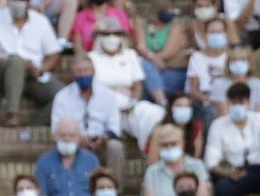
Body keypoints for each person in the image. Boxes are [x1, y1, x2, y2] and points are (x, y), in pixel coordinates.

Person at [0, 0, 63, 127]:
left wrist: (41, 69)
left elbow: (54, 55)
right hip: (4, 74)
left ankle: (32, 125)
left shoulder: (41, 21)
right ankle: (12, 114)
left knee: (62, 95)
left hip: (33, 75)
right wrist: (13, 62)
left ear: (28, 2)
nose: (17, 2)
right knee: (16, 61)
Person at [88, 17, 167, 151]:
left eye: (116, 34)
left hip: (129, 105)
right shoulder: (92, 58)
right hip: (103, 109)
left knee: (154, 113)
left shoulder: (130, 55)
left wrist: (132, 103)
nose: (112, 38)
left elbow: (137, 85)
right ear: (99, 37)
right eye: (107, 34)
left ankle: (149, 151)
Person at [50, 55, 125, 185]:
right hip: (75, 142)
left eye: (86, 70)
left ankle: (114, 189)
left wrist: (102, 138)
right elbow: (56, 128)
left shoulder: (107, 95)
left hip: (102, 142)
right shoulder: (62, 97)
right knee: (67, 146)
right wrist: (77, 138)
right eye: (79, 71)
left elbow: (115, 126)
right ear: (73, 74)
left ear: (93, 72)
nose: (83, 74)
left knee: (116, 147)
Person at [142, 123, 210, 196]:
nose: (169, 148)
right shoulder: (152, 171)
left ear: (182, 143)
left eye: (173, 144)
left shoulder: (197, 166)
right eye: (165, 145)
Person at [35, 118, 101, 196]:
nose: (67, 139)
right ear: (55, 137)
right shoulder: (44, 162)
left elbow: (97, 194)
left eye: (71, 135)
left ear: (79, 137)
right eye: (62, 135)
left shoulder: (91, 160)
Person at [136, 6, 188, 102]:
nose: (169, 11)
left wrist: (152, 58)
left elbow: (170, 51)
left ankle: (160, 102)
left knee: (146, 82)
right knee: (143, 65)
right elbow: (141, 47)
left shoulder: (175, 27)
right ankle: (161, 101)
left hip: (171, 70)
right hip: (151, 70)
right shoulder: (144, 26)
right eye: (166, 8)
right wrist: (152, 59)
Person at [209, 43, 260, 116]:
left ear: (250, 62)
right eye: (234, 60)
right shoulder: (218, 84)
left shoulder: (258, 84)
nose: (238, 63)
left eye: (243, 59)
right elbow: (223, 114)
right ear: (228, 62)